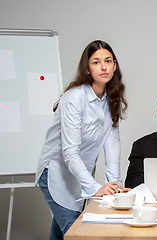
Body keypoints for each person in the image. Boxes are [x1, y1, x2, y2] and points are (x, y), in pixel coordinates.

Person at [35, 40, 130, 239]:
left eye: (108, 61)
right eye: (96, 62)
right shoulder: (74, 98)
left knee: (63, 234)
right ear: (87, 68)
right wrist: (96, 188)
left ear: (115, 65)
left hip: (79, 177)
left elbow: (112, 145)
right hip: (57, 174)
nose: (103, 67)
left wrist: (115, 186)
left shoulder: (111, 99)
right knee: (78, 234)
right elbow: (69, 152)